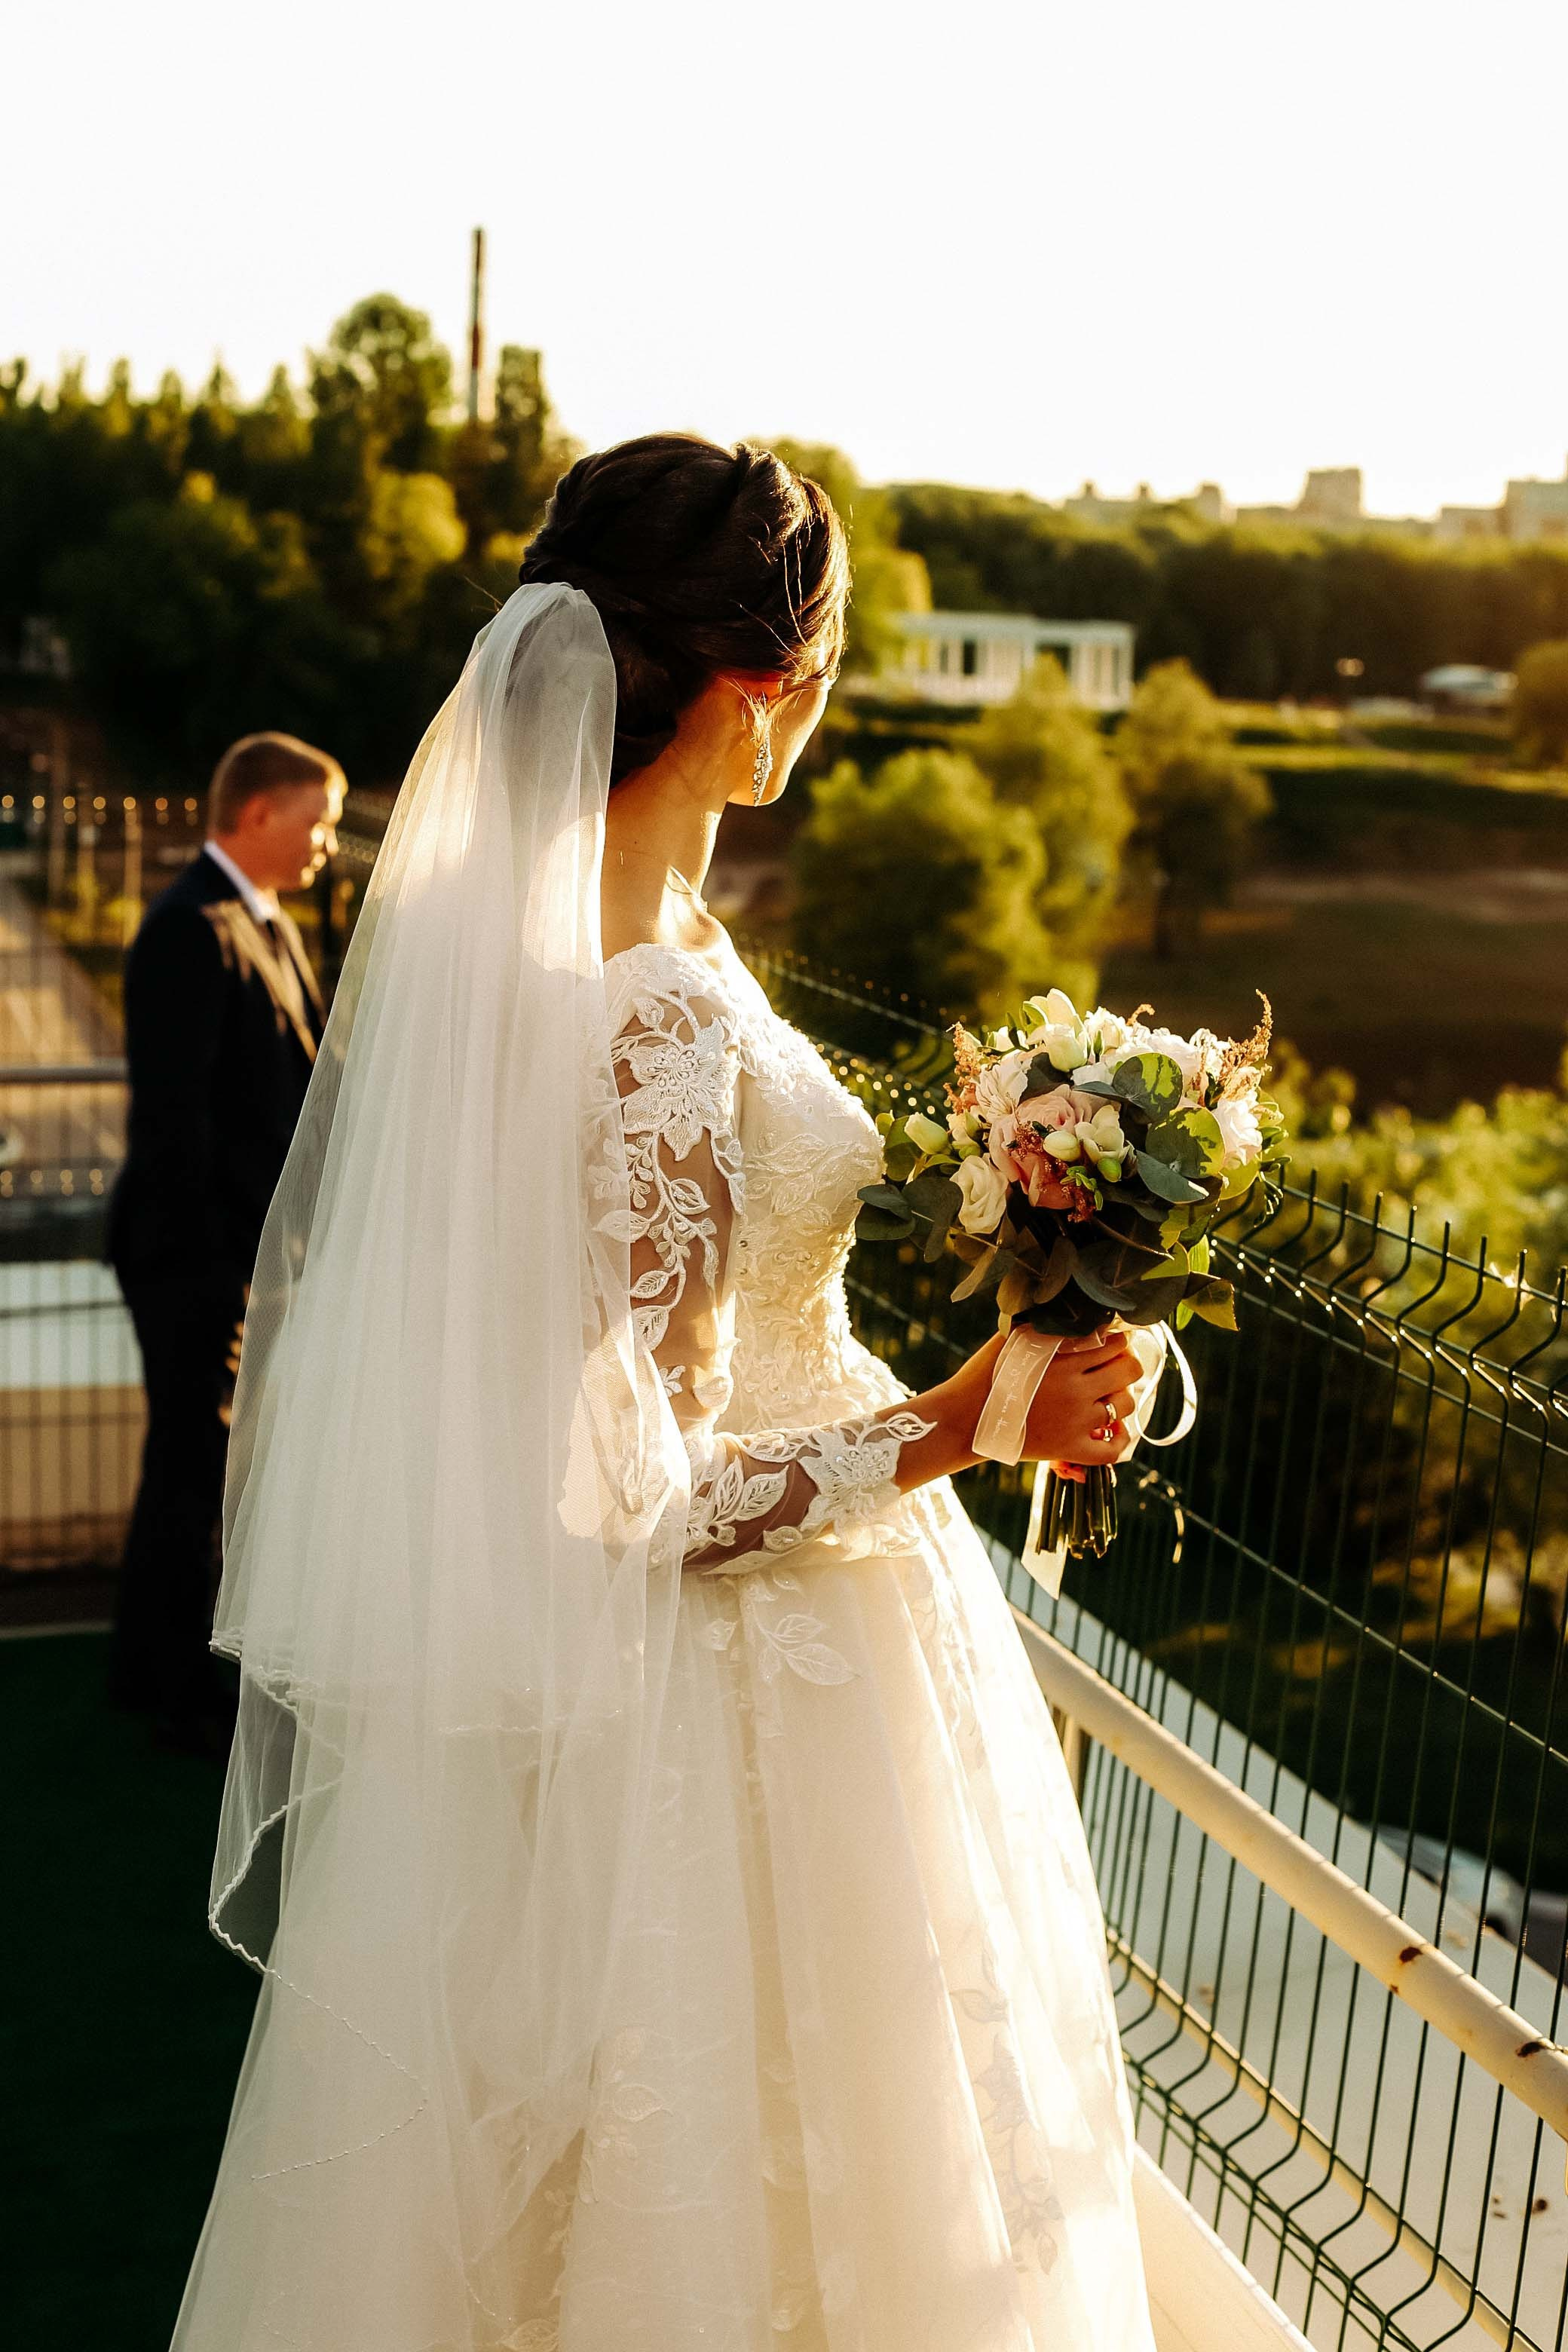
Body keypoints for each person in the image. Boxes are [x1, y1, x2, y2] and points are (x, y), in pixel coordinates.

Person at [173, 442, 1156, 2349]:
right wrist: (966, 1418)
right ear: (750, 689)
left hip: (823, 1645)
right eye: (825, 662)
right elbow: (643, 1500)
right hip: (732, 1717)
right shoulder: (643, 1002)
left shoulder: (661, 945)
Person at [106, 733, 341, 1753]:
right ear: (257, 814)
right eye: (317, 819)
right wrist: (233, 1261)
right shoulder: (186, 930)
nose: (328, 843)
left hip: (241, 1255)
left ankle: (151, 1662)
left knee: (204, 1462)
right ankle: (168, 1688)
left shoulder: (270, 923)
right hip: (193, 1256)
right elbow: (175, 1126)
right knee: (191, 1463)